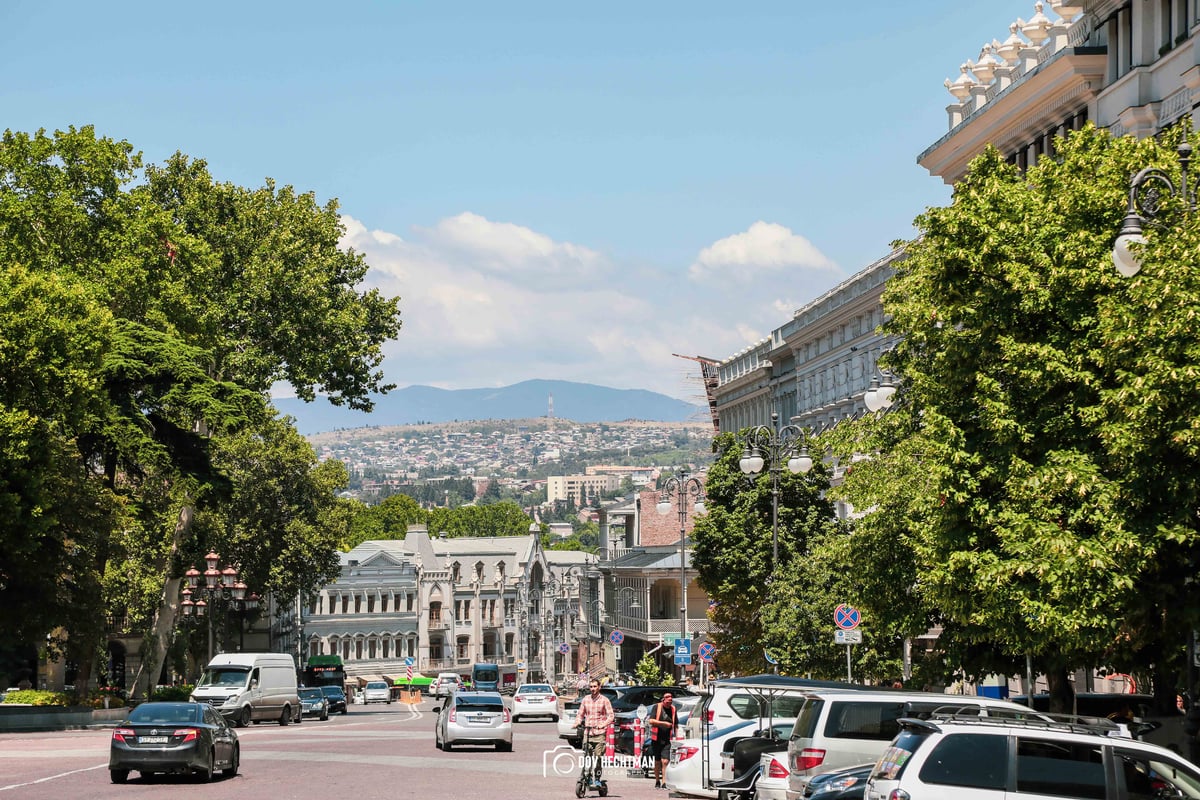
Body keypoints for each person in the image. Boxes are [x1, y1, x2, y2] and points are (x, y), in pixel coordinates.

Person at [576, 678, 614, 787]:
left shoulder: (605, 700)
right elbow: (580, 714)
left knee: (598, 757)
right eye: (591, 687)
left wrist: (603, 724)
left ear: (599, 687)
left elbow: (611, 716)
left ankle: (597, 778)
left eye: (595, 686)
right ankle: (587, 776)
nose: (593, 689)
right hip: (587, 733)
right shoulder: (585, 699)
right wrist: (577, 722)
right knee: (587, 757)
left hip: (600, 734)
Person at [647, 691, 678, 790]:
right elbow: (651, 721)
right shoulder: (657, 707)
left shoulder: (673, 709)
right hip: (657, 739)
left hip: (667, 739)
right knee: (657, 762)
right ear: (663, 700)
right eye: (667, 702)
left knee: (665, 761)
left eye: (671, 702)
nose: (669, 704)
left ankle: (664, 782)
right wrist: (664, 724)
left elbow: (675, 724)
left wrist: (676, 736)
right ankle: (657, 781)